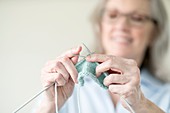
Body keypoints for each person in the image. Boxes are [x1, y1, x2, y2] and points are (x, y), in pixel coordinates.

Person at [35, 0, 170, 113]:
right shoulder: (67, 86)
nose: (122, 25)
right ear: (100, 26)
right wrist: (50, 105)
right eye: (112, 15)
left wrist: (142, 105)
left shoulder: (166, 95)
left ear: (154, 32)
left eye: (137, 18)